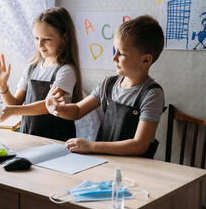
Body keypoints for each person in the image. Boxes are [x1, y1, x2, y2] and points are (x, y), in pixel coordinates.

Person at [46, 15, 165, 158]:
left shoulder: (152, 94)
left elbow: (139, 145)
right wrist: (57, 108)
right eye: (115, 51)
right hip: (105, 162)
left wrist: (90, 146)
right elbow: (77, 111)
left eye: (121, 54)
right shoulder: (108, 84)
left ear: (145, 60)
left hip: (135, 169)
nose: (113, 58)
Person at [0, 7, 82, 141]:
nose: (40, 44)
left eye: (47, 39)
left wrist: (10, 111)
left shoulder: (66, 70)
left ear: (64, 38)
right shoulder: (32, 67)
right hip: (30, 137)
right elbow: (15, 104)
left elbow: (49, 105)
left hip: (56, 141)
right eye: (37, 38)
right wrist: (2, 85)